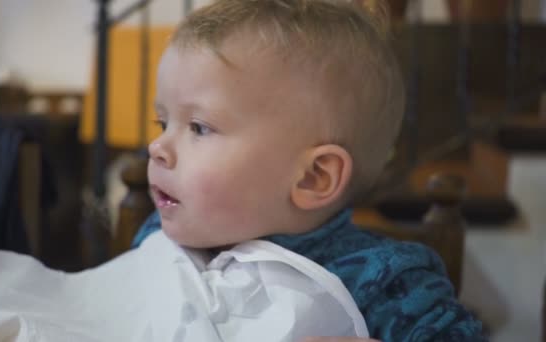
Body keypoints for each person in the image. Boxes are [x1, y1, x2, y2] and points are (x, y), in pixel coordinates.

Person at [133, 0, 485, 341]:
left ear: (314, 177)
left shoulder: (387, 283)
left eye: (198, 127)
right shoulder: (154, 237)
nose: (157, 147)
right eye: (162, 122)